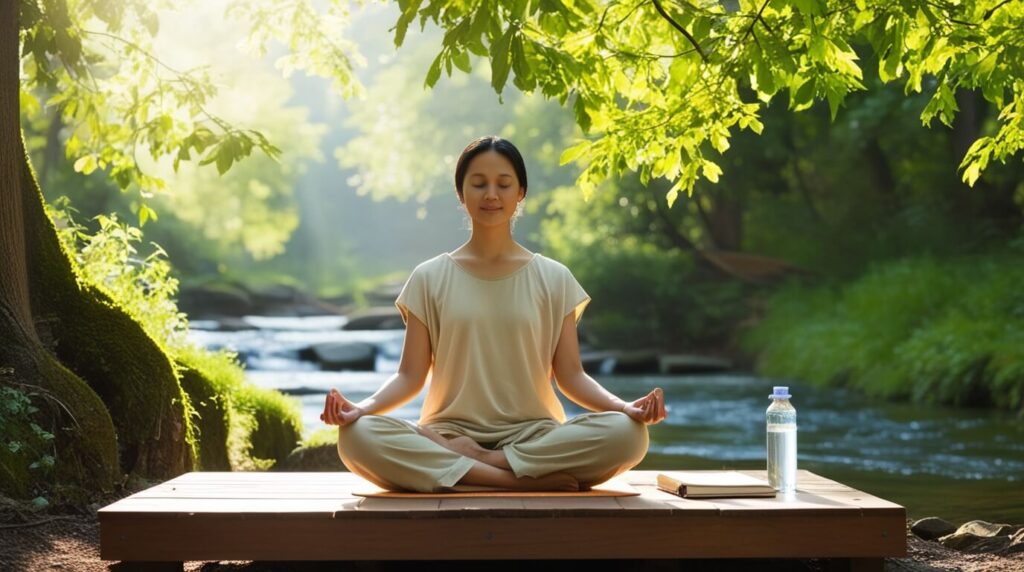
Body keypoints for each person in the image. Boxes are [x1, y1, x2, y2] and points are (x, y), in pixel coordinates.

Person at [321, 135, 667, 493]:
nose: (491, 195)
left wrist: (625, 407)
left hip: (533, 437)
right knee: (356, 437)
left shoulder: (554, 277)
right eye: (479, 184)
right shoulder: (429, 277)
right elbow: (409, 376)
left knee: (629, 435)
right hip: (446, 434)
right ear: (461, 193)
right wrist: (361, 409)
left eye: (503, 184)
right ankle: (516, 481)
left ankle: (480, 468)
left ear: (520, 193)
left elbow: (571, 376)